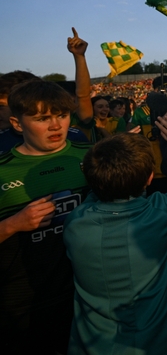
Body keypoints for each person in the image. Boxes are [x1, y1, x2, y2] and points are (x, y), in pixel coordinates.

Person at [63, 132, 167, 355]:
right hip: (156, 345)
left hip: (91, 346)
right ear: (150, 177)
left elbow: (96, 193)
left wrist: (109, 157)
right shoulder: (160, 213)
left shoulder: (75, 222)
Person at [0, 79, 93, 354]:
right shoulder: (3, 172)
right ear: (17, 124)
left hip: (85, 293)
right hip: (22, 301)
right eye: (43, 118)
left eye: (62, 116)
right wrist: (12, 224)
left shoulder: (91, 157)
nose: (56, 126)